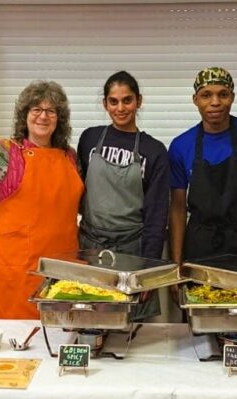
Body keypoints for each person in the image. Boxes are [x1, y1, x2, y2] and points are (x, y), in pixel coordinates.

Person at [77, 71, 169, 320]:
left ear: (139, 101)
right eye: (113, 101)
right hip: (90, 248)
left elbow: (157, 214)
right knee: (89, 317)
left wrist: (148, 269)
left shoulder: (155, 150)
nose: (120, 108)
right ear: (105, 104)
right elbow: (76, 193)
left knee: (130, 326)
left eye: (127, 100)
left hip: (132, 251)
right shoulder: (89, 138)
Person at [168, 67, 237, 267]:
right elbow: (177, 208)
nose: (215, 102)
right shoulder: (180, 145)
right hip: (200, 247)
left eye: (223, 94)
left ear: (232, 97)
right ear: (195, 100)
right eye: (206, 95)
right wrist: (176, 263)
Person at [0, 81, 83, 319]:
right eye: (36, 109)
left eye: (51, 111)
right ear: (25, 115)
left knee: (61, 334)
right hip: (16, 271)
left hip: (64, 271)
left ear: (59, 119)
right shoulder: (3, 152)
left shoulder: (71, 157)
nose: (43, 116)